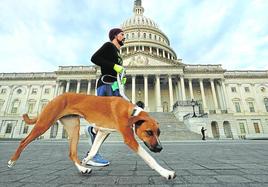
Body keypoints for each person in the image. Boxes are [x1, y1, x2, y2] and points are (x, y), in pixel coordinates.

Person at [84, 28, 126, 167]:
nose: (124, 37)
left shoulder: (118, 53)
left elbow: (114, 70)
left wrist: (121, 78)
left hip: (114, 85)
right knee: (108, 121)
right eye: (122, 34)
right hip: (106, 83)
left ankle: (93, 134)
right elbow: (94, 58)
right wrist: (114, 66)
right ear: (115, 36)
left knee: (111, 122)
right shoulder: (109, 46)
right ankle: (93, 154)